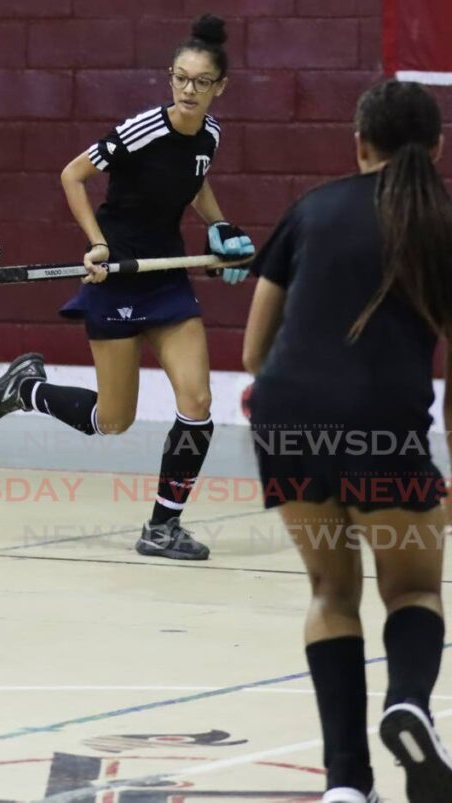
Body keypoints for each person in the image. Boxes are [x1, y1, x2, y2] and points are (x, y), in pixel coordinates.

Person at [243, 79, 452, 803]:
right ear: (437, 149)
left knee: (332, 591)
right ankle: (409, 704)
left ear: (359, 144)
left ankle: (344, 784)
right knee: (415, 587)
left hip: (286, 418)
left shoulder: (310, 208)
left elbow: (252, 351)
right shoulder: (443, 221)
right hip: (383, 431)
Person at [0, 14, 254, 561]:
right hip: (118, 276)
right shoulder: (142, 130)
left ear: (221, 86)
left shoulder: (213, 135)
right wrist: (97, 243)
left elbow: (195, 182)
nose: (188, 90)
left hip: (166, 275)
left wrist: (220, 227)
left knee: (197, 400)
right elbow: (72, 175)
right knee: (113, 419)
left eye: (201, 82)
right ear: (169, 77)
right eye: (180, 78)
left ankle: (162, 528)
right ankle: (26, 389)